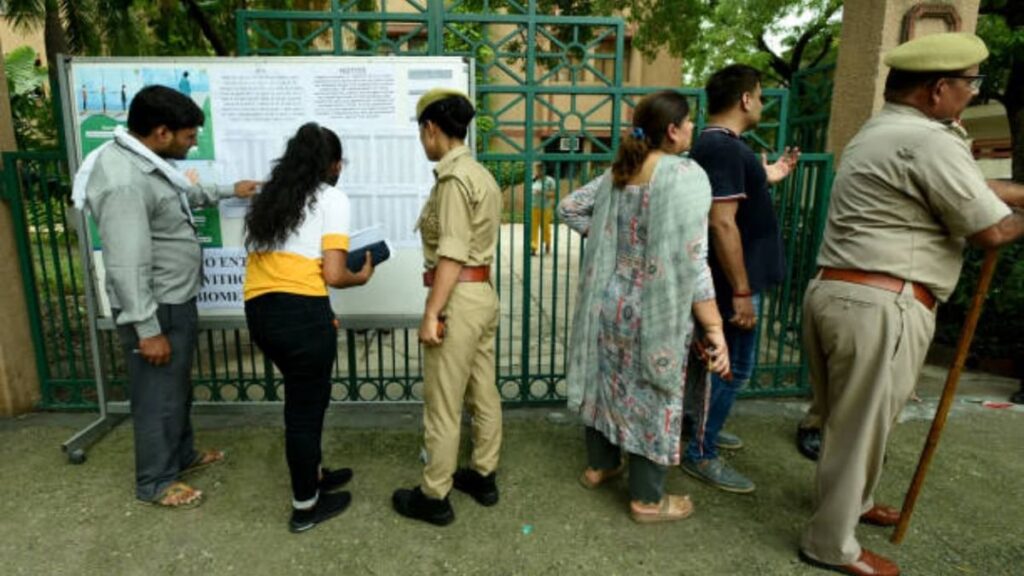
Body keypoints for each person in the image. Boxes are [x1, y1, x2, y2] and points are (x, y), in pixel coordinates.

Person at [799, 32, 1024, 576]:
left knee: (852, 420)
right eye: (970, 84)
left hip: (842, 292)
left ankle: (849, 505)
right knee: (859, 427)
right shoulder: (928, 141)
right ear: (938, 89)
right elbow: (990, 230)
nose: (972, 93)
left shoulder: (881, 131)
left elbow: (970, 190)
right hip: (882, 302)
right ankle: (831, 545)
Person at [73, 85, 259, 507]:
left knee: (175, 388)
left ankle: (182, 455)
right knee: (157, 395)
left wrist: (231, 189)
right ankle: (155, 482)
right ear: (161, 132)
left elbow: (180, 194)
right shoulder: (123, 181)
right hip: (156, 307)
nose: (193, 144)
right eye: (189, 136)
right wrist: (146, 328)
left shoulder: (147, 163)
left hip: (174, 299)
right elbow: (125, 262)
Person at [559, 90, 730, 523]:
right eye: (689, 121)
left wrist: (609, 246)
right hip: (658, 306)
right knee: (655, 395)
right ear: (672, 131)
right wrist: (714, 327)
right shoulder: (684, 174)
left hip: (610, 299)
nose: (693, 127)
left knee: (608, 382)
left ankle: (600, 467)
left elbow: (569, 207)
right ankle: (647, 501)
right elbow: (692, 260)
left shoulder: (622, 171)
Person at [243, 123, 374, 533]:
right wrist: (363, 275)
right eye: (340, 163)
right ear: (333, 164)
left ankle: (314, 474)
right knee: (303, 412)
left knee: (305, 403)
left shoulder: (271, 197)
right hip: (302, 315)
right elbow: (334, 274)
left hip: (261, 312)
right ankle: (305, 507)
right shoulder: (331, 197)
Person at [680, 65, 799, 494]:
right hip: (733, 287)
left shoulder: (726, 148)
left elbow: (734, 193)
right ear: (746, 99)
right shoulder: (723, 149)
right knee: (732, 368)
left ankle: (699, 428)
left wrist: (767, 175)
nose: (763, 104)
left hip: (732, 283)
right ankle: (701, 449)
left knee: (713, 366)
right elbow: (722, 223)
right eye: (761, 96)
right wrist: (743, 292)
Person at [392, 88, 503, 526]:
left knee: (443, 402)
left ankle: (434, 495)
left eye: (423, 134)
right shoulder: (480, 174)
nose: (423, 142)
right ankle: (483, 474)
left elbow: (452, 255)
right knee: (483, 391)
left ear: (431, 129)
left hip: (457, 298)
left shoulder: (454, 180)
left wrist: (431, 313)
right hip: (482, 297)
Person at [529, 162, 557, 256]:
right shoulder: (533, 179)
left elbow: (554, 194)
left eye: (541, 169)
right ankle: (533, 247)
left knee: (545, 227)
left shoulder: (550, 181)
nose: (539, 171)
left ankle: (547, 243)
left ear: (544, 170)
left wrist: (542, 193)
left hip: (545, 207)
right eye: (537, 169)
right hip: (534, 207)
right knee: (533, 228)